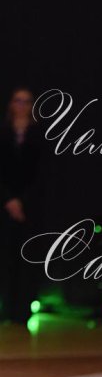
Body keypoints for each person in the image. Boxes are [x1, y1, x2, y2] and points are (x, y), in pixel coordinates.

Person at [0, 87, 44, 322]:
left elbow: (42, 174)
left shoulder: (39, 135)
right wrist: (8, 200)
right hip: (4, 205)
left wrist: (23, 202)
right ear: (11, 104)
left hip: (30, 208)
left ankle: (23, 310)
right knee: (5, 257)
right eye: (18, 100)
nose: (22, 105)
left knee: (27, 257)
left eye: (27, 101)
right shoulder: (3, 133)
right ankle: (5, 309)